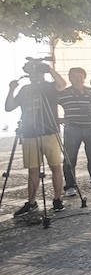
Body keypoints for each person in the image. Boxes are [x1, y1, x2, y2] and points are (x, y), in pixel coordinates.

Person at [5, 60, 67, 215]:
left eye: (37, 72)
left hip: (50, 131)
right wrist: (11, 89)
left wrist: (50, 70)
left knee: (55, 167)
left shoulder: (48, 87)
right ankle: (31, 202)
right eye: (31, 73)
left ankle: (57, 199)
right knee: (33, 169)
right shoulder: (25, 89)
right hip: (30, 133)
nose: (34, 76)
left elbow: (62, 84)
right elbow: (9, 107)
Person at [58, 68, 91, 194]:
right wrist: (59, 119)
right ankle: (70, 186)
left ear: (84, 78)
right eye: (73, 76)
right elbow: (52, 105)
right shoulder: (64, 93)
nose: (77, 79)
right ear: (69, 78)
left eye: (79, 76)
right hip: (72, 129)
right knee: (70, 158)